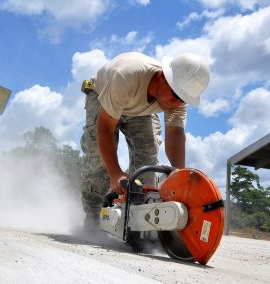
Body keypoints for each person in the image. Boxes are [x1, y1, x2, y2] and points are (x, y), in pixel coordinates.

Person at [80, 52, 210, 230]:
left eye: (183, 100)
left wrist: (179, 176)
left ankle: (138, 224)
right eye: (175, 97)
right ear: (163, 77)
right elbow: (105, 130)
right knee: (99, 160)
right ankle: (93, 221)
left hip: (139, 108)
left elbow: (175, 134)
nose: (177, 104)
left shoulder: (178, 97)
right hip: (104, 95)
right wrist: (115, 173)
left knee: (148, 157)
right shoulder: (126, 77)